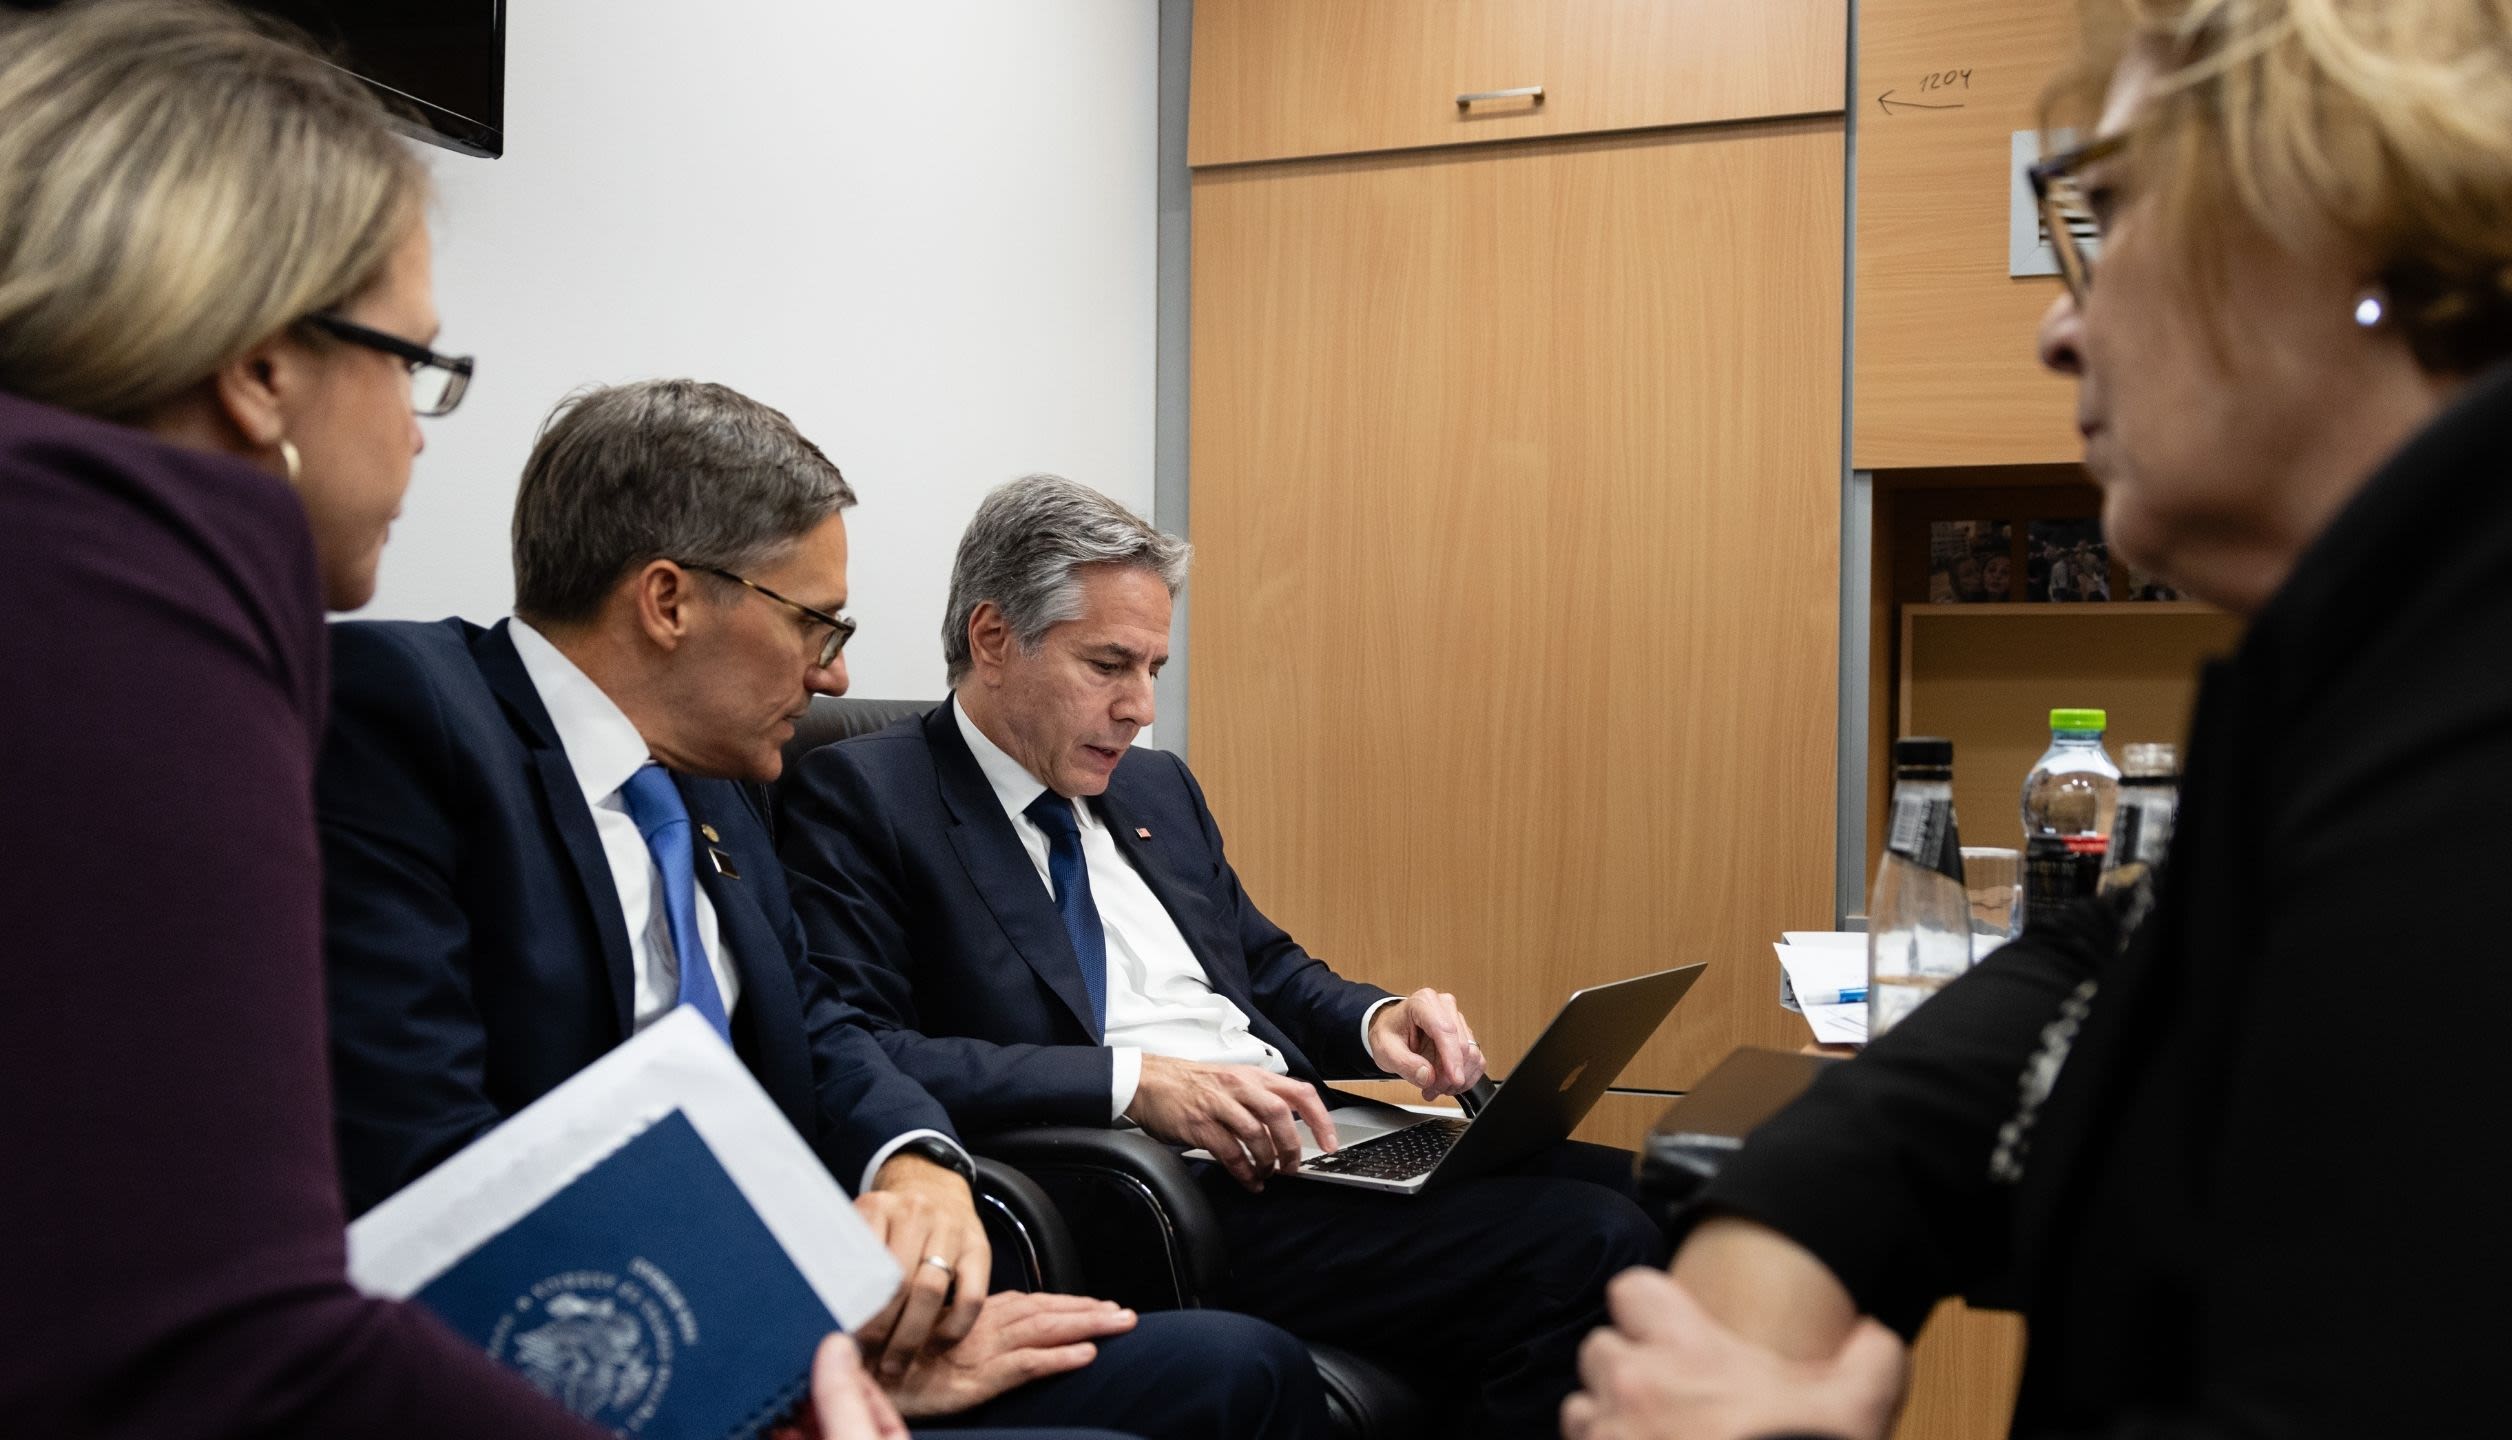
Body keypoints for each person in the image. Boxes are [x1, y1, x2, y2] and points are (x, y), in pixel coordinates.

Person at [1564, 0, 2512, 1435]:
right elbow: (2091, 974)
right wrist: (1789, 1228)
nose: (2055, 326)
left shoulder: (2499, 760)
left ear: (2342, 218)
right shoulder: (2394, 680)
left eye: (2110, 215)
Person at [0, 2, 892, 1434]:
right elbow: (235, 1336)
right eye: (410, 362)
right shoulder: (138, 608)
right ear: (262, 364)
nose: (420, 431)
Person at [320, 381, 1326, 1440]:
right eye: (815, 623)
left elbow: (820, 1025)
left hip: (809, 1331)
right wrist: (792, 1355)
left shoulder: (714, 783)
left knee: (1238, 1370)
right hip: (601, 1360)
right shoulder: (408, 719)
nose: (838, 673)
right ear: (668, 602)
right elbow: (433, 1166)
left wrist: (917, 1161)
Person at [775, 473, 1666, 1439]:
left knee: (1668, 1192)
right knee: (1590, 1241)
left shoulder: (1155, 788)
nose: (1140, 708)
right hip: (1166, 1188)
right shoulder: (866, 794)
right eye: (1108, 665)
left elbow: (1265, 969)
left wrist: (1380, 1022)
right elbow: (864, 1044)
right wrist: (1135, 1082)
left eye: (1154, 668)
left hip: (1309, 1143)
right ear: (993, 639)